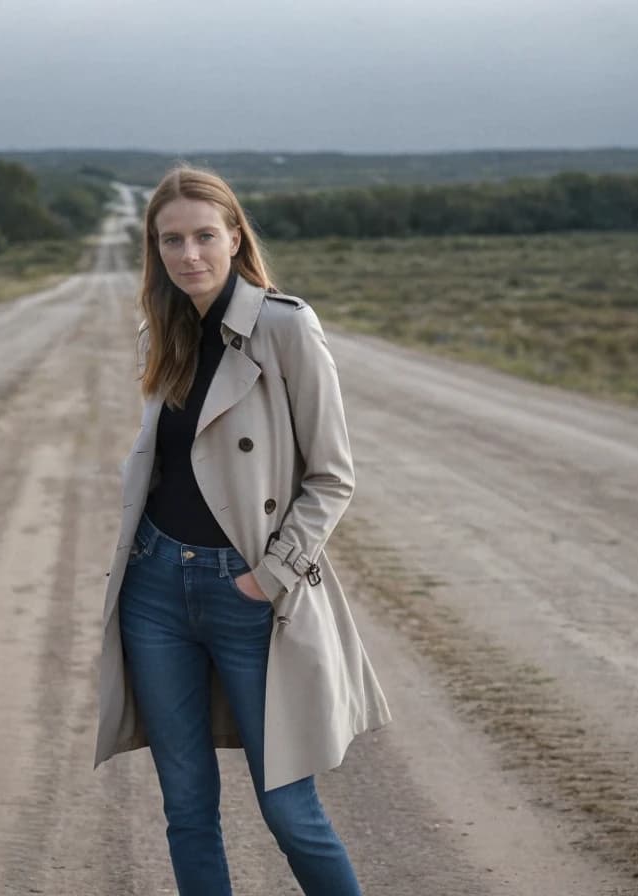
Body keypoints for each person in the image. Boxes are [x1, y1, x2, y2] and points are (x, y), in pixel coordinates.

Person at [94, 165, 391, 896]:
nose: (189, 254)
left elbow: (333, 475)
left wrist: (272, 575)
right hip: (156, 588)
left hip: (249, 593)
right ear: (155, 250)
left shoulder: (285, 327)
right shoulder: (158, 334)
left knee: (290, 810)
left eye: (204, 236)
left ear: (234, 236)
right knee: (187, 809)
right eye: (172, 240)